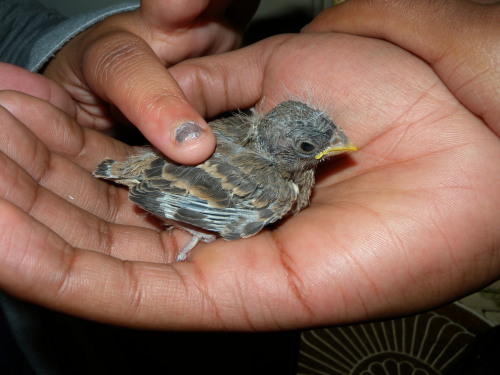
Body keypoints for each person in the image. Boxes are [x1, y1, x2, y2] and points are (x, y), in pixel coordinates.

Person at [0, 0, 498, 344]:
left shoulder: (263, 144)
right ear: (285, 146)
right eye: (310, 146)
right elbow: (176, 195)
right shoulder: (273, 188)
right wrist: (186, 220)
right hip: (153, 177)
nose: (338, 149)